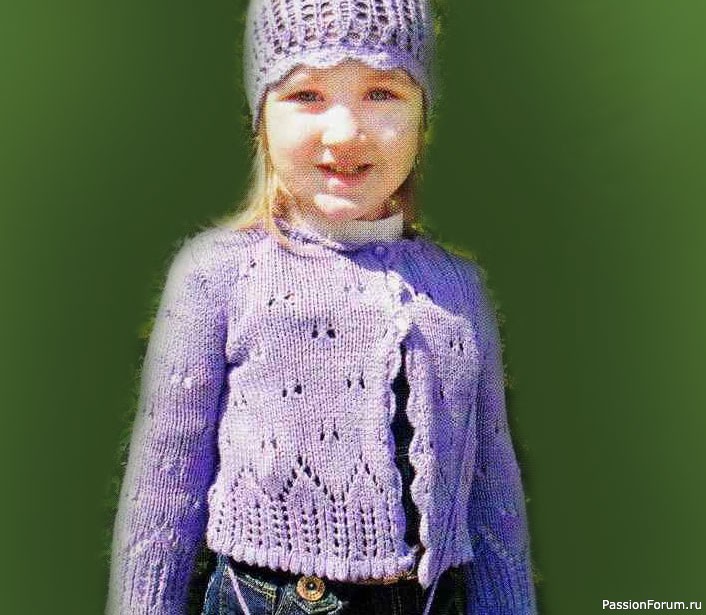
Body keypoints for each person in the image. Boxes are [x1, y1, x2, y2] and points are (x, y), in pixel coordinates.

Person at [107, 0, 537, 613]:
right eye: (306, 95)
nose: (344, 132)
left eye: (382, 93)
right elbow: (163, 489)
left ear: (422, 117)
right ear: (262, 119)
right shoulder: (218, 274)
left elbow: (492, 489)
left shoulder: (458, 286)